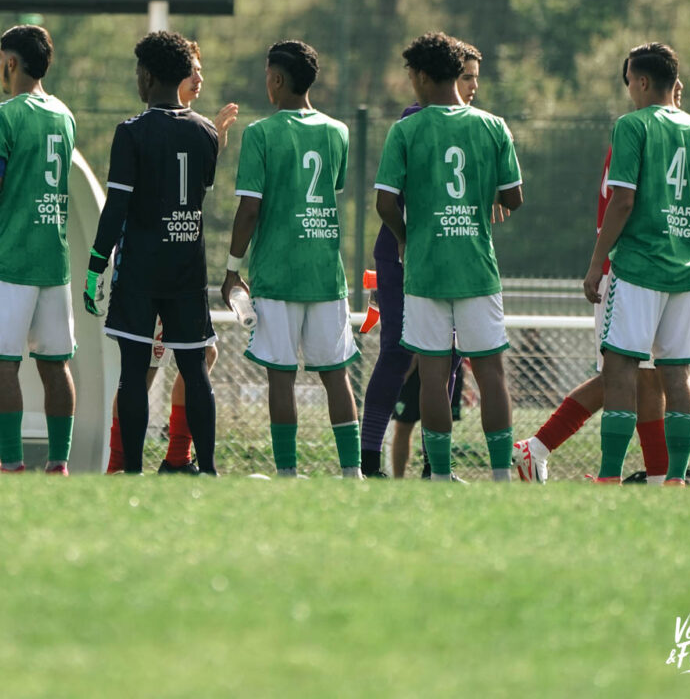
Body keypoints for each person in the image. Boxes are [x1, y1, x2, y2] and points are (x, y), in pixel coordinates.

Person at [514, 79, 690, 483]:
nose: (680, 95)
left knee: (643, 375)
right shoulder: (643, 132)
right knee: (630, 374)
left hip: (648, 266)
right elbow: (641, 201)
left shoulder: (660, 134)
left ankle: (653, 476)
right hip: (630, 268)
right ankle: (541, 448)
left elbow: (671, 198)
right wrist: (599, 264)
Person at [374, 32, 523, 481]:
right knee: (491, 373)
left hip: (425, 269)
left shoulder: (406, 129)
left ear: (420, 76)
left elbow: (385, 202)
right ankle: (499, 477)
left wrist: (405, 237)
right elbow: (513, 198)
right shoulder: (492, 126)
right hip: (477, 267)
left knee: (434, 374)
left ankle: (438, 475)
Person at [580, 43, 690, 484]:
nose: (629, 93)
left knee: (620, 368)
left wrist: (596, 264)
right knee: (675, 373)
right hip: (684, 274)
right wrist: (674, 212)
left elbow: (621, 201)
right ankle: (676, 479)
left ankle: (608, 476)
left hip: (638, 267)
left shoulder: (632, 126)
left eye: (629, 83)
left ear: (641, 81)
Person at [221, 40, 363, 478]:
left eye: (267, 75)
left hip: (277, 276)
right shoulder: (338, 131)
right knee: (335, 375)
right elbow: (329, 190)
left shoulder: (261, 134)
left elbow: (249, 210)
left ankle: (287, 473)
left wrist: (231, 271)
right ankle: (352, 473)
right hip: (324, 275)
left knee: (280, 377)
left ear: (277, 80)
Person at [87, 31, 220, 475]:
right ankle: (210, 469)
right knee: (195, 368)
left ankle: (131, 472)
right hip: (188, 270)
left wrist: (95, 264)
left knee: (132, 373)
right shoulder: (206, 132)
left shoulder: (132, 132)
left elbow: (117, 207)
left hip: (141, 269)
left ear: (146, 76)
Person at [0, 25, 78, 474]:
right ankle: (58, 464)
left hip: (7, 259)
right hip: (52, 260)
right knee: (54, 363)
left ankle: (11, 465)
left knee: (2, 364)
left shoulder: (5, 117)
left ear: (11, 63)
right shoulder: (63, 115)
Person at [366, 41, 480, 479]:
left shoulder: (475, 126)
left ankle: (437, 465)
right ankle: (369, 460)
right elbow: (394, 197)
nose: (469, 86)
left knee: (447, 358)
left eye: (473, 79)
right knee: (397, 350)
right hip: (404, 255)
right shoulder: (416, 119)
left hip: (446, 256)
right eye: (465, 76)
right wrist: (405, 238)